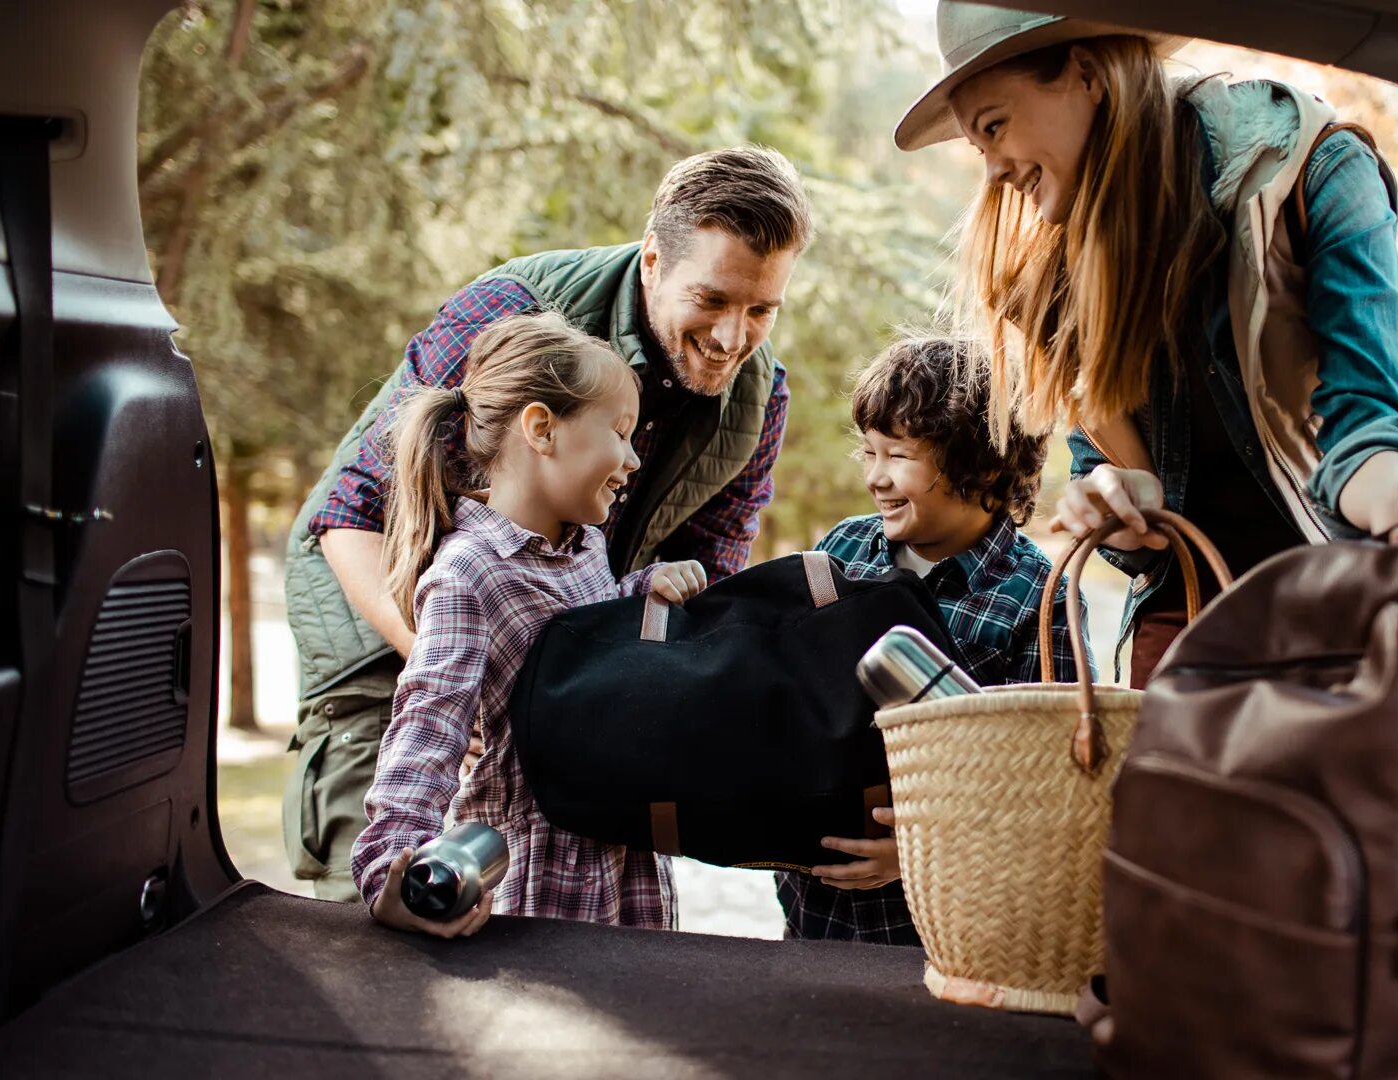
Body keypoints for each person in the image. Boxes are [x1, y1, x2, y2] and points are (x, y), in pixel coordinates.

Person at [898, 3, 1398, 685]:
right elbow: (1130, 509)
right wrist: (1113, 499)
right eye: (981, 149)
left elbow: (1368, 429)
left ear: (1085, 73)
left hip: (1343, 595)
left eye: (995, 127)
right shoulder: (1058, 280)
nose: (995, 174)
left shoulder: (1315, 169)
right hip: (1191, 625)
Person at [283, 147, 813, 901]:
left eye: (762, 310)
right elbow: (349, 513)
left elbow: (702, 596)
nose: (734, 336)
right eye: (713, 300)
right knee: (385, 920)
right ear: (654, 260)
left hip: (554, 664)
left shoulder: (759, 402)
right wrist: (468, 682)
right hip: (388, 632)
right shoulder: (511, 307)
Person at [350, 313, 709, 936]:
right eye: (621, 433)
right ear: (542, 428)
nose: (631, 459)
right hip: (539, 882)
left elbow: (580, 646)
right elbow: (427, 729)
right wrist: (392, 871)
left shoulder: (585, 548)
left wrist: (638, 594)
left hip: (625, 869)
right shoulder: (470, 573)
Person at [776, 335, 1093, 946]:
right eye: (868, 452)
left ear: (986, 464)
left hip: (935, 925)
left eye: (898, 455)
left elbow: (1042, 784)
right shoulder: (842, 548)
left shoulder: (1039, 598)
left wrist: (917, 852)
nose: (875, 477)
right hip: (810, 912)